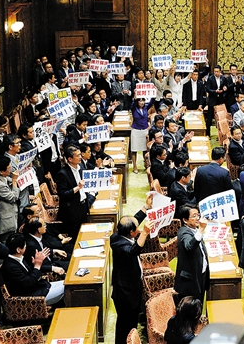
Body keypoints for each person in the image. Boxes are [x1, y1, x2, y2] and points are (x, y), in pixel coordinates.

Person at [111, 200, 152, 344]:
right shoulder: (121, 246)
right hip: (125, 293)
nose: (139, 229)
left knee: (131, 322)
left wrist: (146, 207)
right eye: (137, 229)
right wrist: (145, 233)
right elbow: (133, 251)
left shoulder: (119, 234)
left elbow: (135, 220)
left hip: (131, 286)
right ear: (131, 233)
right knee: (125, 324)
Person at [1, 234, 65, 305]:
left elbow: (33, 268)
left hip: (41, 287)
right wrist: (37, 266)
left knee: (66, 284)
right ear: (18, 250)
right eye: (24, 245)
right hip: (32, 297)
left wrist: (51, 267)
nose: (26, 246)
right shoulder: (11, 267)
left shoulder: (19, 257)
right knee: (68, 288)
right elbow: (28, 283)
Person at [174, 205, 209, 304]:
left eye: (198, 215)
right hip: (190, 281)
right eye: (194, 216)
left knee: (199, 304)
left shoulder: (194, 229)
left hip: (200, 275)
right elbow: (189, 247)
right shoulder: (184, 233)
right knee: (190, 309)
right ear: (185, 220)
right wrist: (201, 230)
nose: (198, 218)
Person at [54, 145, 90, 238]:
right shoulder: (62, 174)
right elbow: (63, 194)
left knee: (84, 233)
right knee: (74, 236)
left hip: (83, 206)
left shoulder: (81, 167)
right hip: (71, 210)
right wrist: (77, 188)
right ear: (70, 159)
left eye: (80, 154)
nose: (80, 157)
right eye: (77, 155)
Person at [0, 156, 22, 244]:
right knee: (7, 242)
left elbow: (9, 180)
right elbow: (13, 197)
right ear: (1, 171)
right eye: (9, 168)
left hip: (10, 217)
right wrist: (14, 181)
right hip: (5, 222)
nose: (11, 170)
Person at [130, 98, 150, 174]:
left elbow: (152, 101)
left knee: (145, 149)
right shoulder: (134, 108)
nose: (142, 102)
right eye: (140, 101)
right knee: (134, 149)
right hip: (136, 130)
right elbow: (134, 102)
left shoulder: (146, 107)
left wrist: (155, 93)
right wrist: (135, 97)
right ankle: (135, 166)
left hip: (144, 130)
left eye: (143, 101)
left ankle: (146, 164)